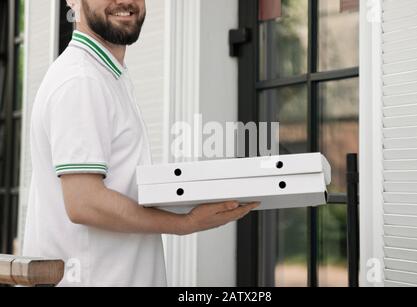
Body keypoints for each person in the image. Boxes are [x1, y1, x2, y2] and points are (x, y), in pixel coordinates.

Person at [23, 0, 258, 287]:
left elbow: (118, 188)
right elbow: (85, 202)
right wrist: (186, 224)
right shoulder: (81, 79)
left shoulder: (106, 75)